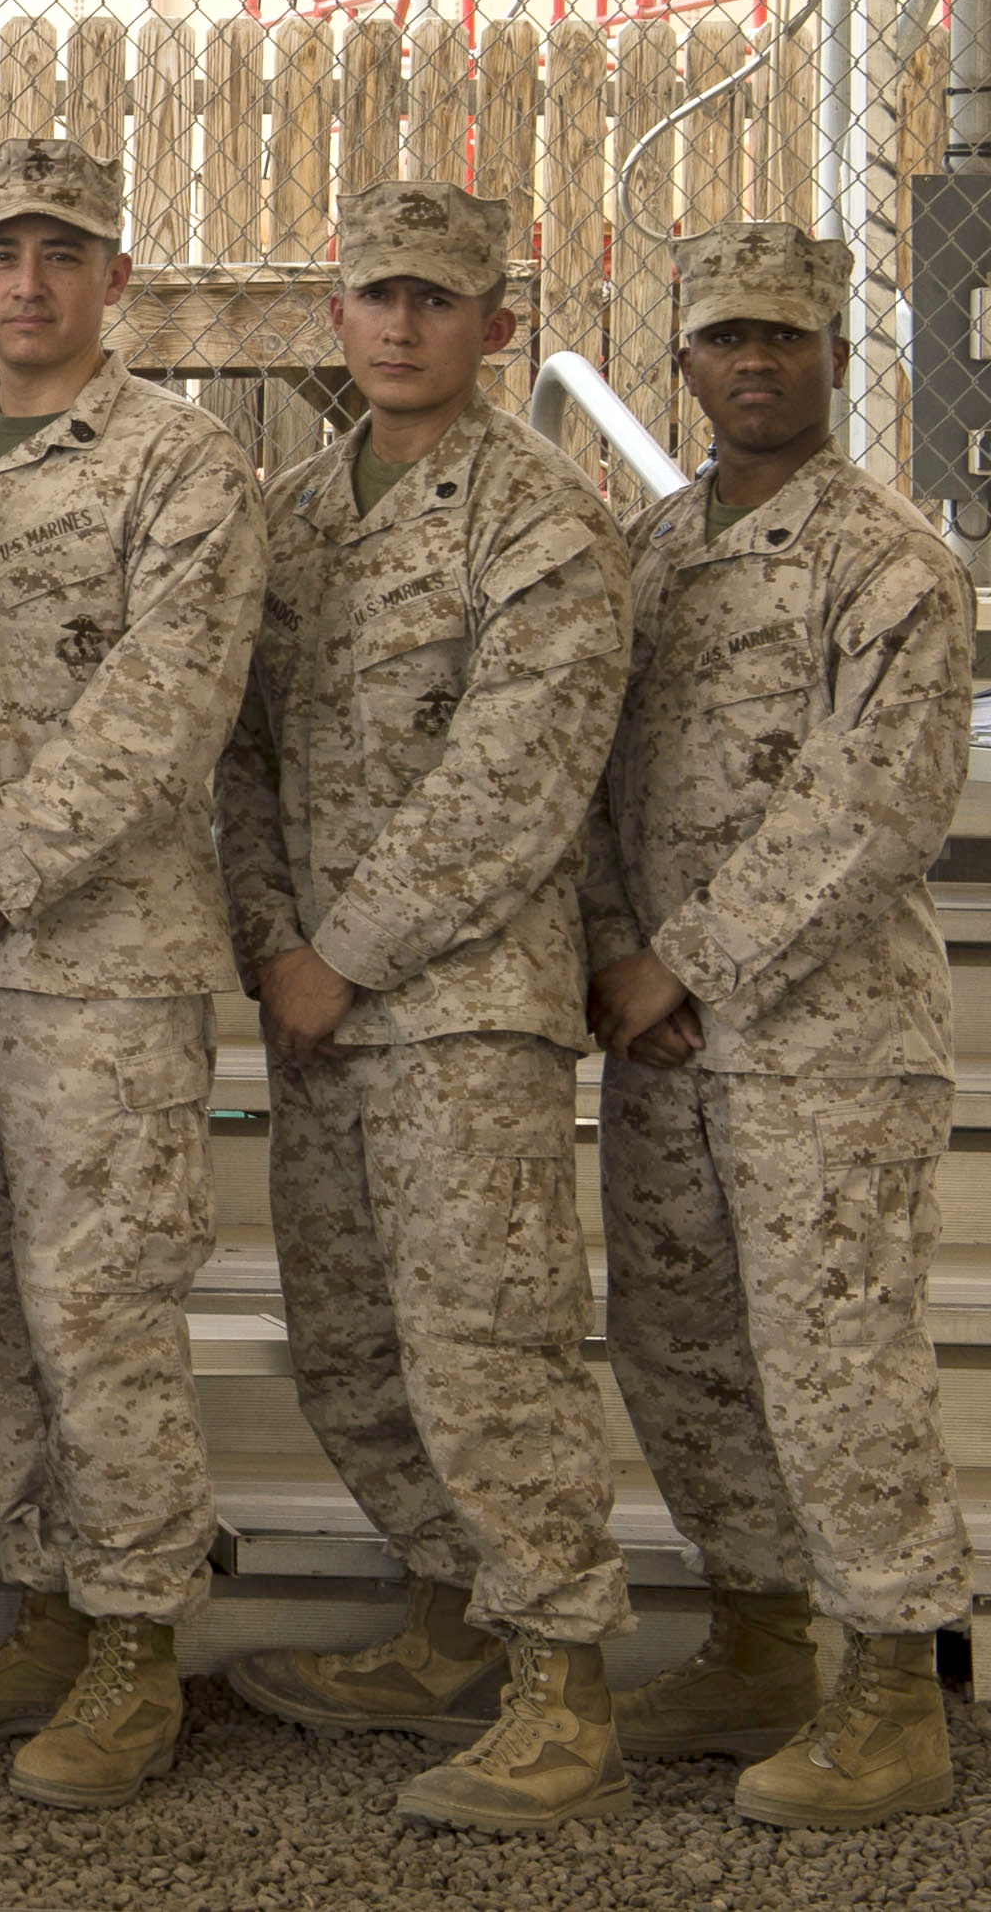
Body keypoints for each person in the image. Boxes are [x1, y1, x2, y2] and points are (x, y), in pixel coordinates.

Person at [207, 180, 638, 1830]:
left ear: (496, 326)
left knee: (490, 1351)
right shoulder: (292, 512)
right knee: (352, 1344)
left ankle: (561, 1685)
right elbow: (237, 754)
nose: (400, 322)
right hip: (315, 1004)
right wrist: (269, 942)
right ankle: (453, 1618)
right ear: (336, 314)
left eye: (437, 299)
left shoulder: (540, 521)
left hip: (462, 1012)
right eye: (376, 293)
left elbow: (514, 784)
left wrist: (343, 953)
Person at [0, 139, 261, 1813]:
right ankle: (45, 1593)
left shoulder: (181, 463)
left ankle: (132, 1643)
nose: (27, 281)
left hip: (98, 965)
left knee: (95, 1316)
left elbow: (169, 711)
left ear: (116, 276)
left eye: (61, 252)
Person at [579, 221, 975, 1832]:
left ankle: (890, 1697)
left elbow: (870, 810)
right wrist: (622, 955)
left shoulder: (890, 561)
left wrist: (685, 963)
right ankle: (755, 1641)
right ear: (683, 359)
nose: (756, 363)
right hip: (668, 1038)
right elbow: (594, 782)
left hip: (827, 1042)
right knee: (684, 1354)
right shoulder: (651, 552)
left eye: (788, 339)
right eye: (729, 337)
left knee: (836, 1364)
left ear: (836, 357)